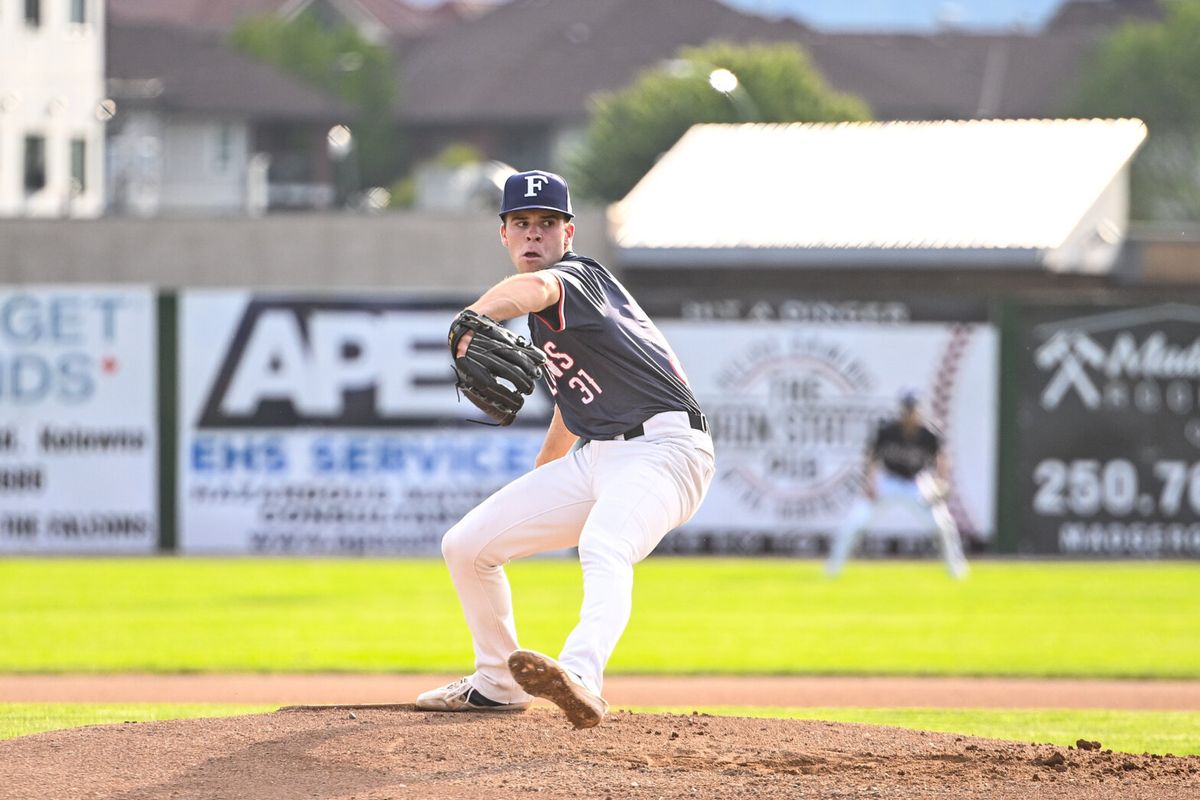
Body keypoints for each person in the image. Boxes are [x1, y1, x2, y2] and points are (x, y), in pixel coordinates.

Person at [416, 170, 715, 729]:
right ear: (503, 234)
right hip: (596, 455)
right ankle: (497, 683)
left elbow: (536, 289)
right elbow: (569, 402)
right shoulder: (547, 326)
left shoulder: (576, 278)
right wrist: (544, 476)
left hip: (666, 449)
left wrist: (475, 318)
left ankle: (582, 677)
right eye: (521, 223)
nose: (534, 234)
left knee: (604, 545)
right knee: (467, 545)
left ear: (568, 233)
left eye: (547, 224)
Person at [825, 390, 969, 579]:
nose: (910, 415)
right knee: (856, 521)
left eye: (913, 410)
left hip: (917, 482)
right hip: (889, 480)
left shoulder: (929, 434)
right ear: (901, 411)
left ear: (919, 411)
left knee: (943, 524)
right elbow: (870, 458)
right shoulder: (888, 431)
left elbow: (942, 459)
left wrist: (941, 482)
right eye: (907, 410)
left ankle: (957, 570)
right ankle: (832, 570)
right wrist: (869, 484)